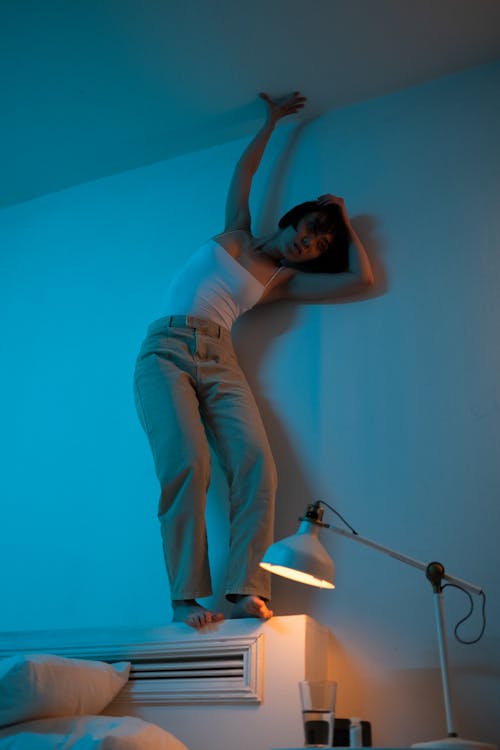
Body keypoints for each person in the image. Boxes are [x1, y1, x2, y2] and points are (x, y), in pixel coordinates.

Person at [133, 91, 374, 629]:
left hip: (222, 357)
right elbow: (245, 169)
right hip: (164, 351)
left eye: (316, 247)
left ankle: (244, 589)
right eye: (307, 231)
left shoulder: (280, 282)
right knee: (187, 466)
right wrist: (270, 121)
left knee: (256, 466)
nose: (305, 244)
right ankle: (185, 599)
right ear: (292, 221)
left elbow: (361, 279)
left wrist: (344, 220)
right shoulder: (236, 228)